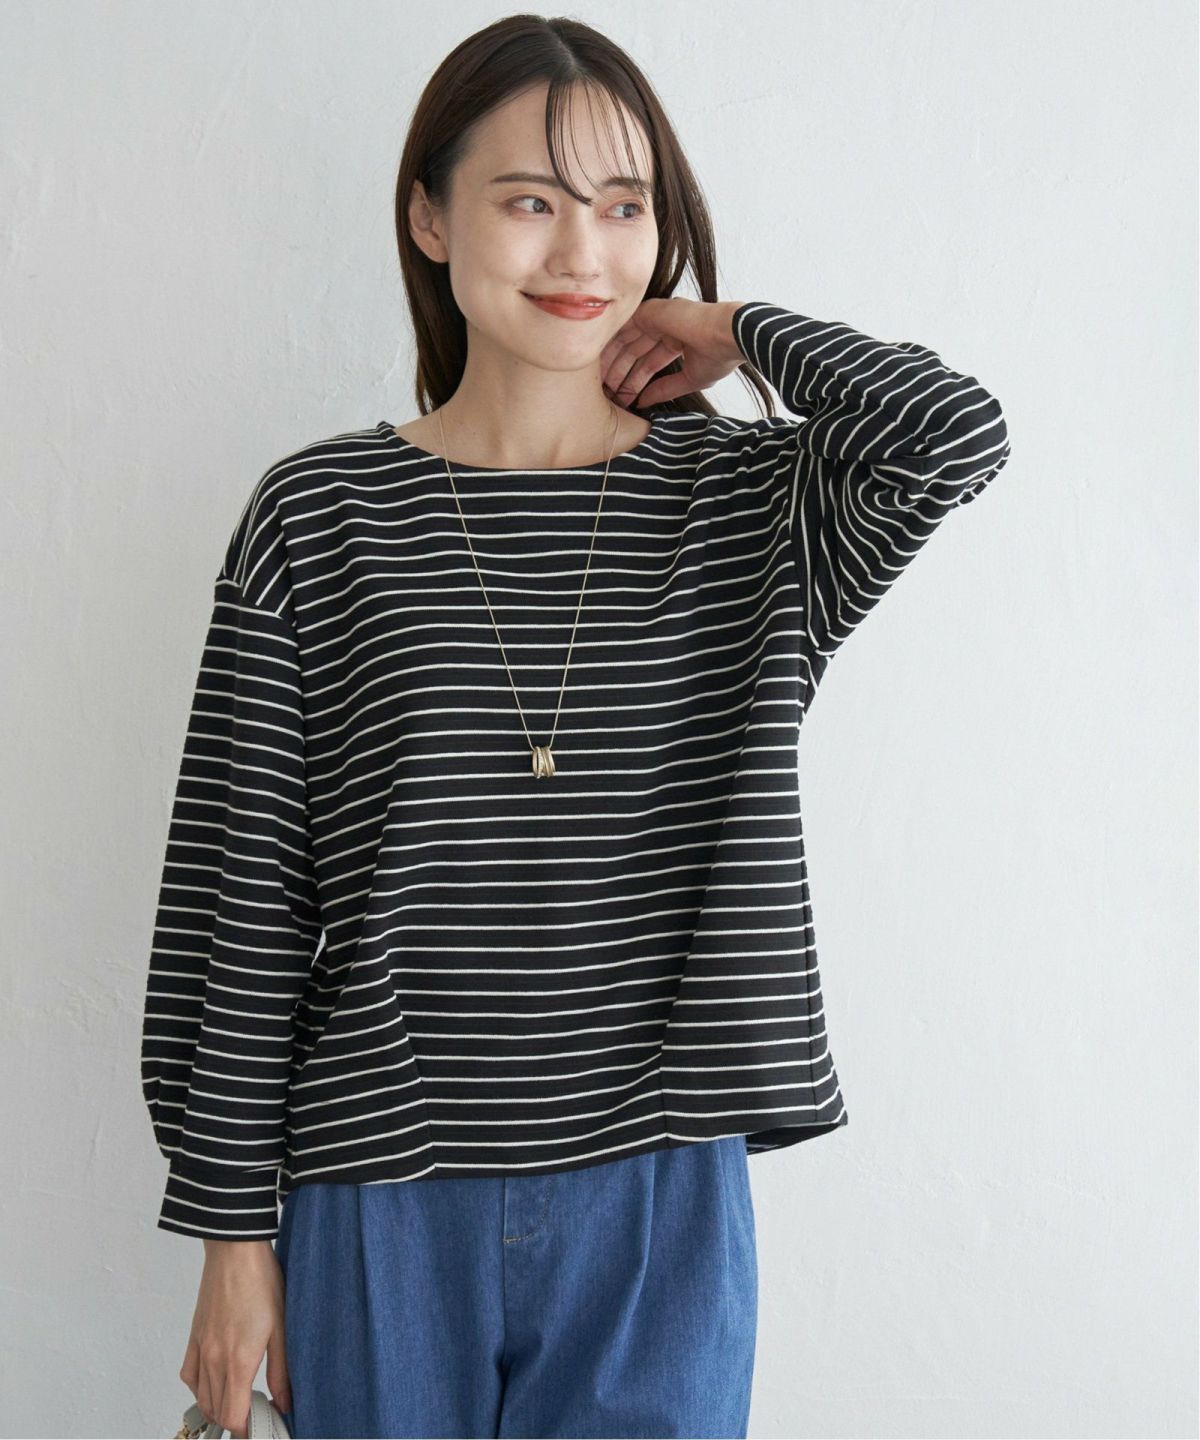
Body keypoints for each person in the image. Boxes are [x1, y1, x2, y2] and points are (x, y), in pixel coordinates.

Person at [140, 14, 1010, 1440]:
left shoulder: (750, 509)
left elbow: (955, 433)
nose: (582, 253)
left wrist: (732, 328)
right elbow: (242, 895)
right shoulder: (321, 517)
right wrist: (231, 1235)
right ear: (430, 216)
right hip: (379, 1184)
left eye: (622, 206)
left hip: (657, 1188)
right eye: (530, 201)